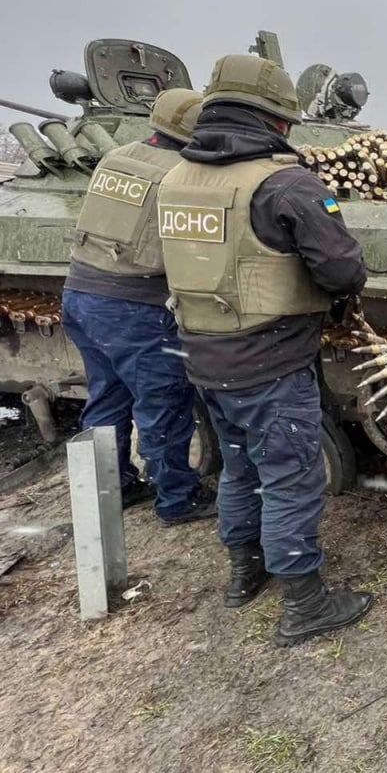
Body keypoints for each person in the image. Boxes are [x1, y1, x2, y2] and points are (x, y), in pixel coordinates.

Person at [157, 53, 373, 646]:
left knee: (237, 467)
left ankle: (242, 573)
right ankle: (304, 604)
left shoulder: (175, 178)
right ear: (279, 120)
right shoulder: (285, 183)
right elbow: (343, 269)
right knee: (290, 476)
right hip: (270, 362)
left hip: (202, 356)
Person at [62, 88, 216, 524]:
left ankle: (114, 489)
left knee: (107, 397)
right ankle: (176, 500)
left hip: (81, 295)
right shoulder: (183, 175)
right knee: (162, 403)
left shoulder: (117, 156)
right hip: (135, 305)